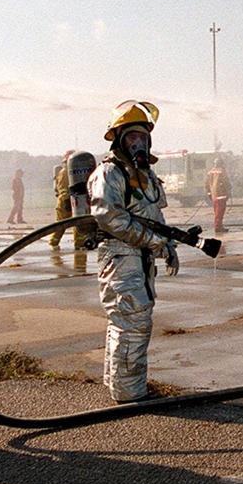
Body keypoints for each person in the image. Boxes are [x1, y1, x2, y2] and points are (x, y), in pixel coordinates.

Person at [88, 100, 179, 403]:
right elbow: (110, 217)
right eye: (131, 137)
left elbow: (155, 215)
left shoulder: (146, 174)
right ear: (118, 139)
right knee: (133, 320)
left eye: (142, 137)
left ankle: (120, 385)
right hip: (120, 255)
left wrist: (169, 245)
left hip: (141, 258)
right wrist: (155, 242)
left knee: (128, 320)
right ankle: (130, 394)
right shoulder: (109, 173)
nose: (138, 143)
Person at [50, 151, 74, 247]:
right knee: (60, 224)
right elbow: (63, 188)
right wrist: (66, 200)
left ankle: (79, 244)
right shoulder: (64, 172)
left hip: (73, 200)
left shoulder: (71, 172)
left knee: (78, 224)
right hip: (64, 201)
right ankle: (53, 243)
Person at [205, 157, 231, 233]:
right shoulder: (222, 171)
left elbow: (206, 184)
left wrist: (209, 193)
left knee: (216, 211)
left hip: (214, 195)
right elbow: (226, 182)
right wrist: (229, 189)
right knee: (220, 212)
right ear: (221, 163)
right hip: (221, 194)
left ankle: (220, 226)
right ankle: (218, 227)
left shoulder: (210, 172)